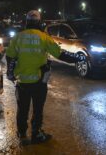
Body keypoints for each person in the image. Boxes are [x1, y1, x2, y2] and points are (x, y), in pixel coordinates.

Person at [6, 10, 82, 144]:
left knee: (22, 109)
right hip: (39, 81)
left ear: (27, 22)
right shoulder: (44, 37)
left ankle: (22, 135)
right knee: (38, 109)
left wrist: (10, 73)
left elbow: (10, 57)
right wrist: (76, 59)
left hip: (22, 81)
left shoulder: (18, 37)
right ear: (39, 22)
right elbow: (60, 54)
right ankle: (36, 134)